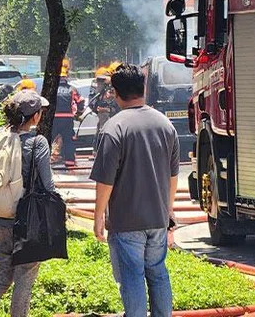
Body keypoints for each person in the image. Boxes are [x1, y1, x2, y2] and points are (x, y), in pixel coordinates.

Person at [90, 64, 179, 317]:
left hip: (126, 221)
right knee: (158, 273)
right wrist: (168, 212)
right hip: (158, 220)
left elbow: (105, 181)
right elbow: (173, 176)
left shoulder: (114, 128)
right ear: (144, 88)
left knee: (132, 278)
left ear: (115, 93)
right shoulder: (165, 125)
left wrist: (98, 218)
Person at [0, 90, 56, 317]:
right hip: (27, 222)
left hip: (1, 218)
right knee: (24, 280)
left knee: (0, 277)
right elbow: (48, 186)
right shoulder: (38, 143)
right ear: (36, 116)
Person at [53, 59, 83, 169]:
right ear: (66, 76)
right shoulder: (72, 89)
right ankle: (70, 162)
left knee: (49, 139)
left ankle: (44, 161)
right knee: (68, 140)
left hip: (54, 118)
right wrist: (79, 113)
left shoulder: (52, 89)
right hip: (67, 119)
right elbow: (80, 101)